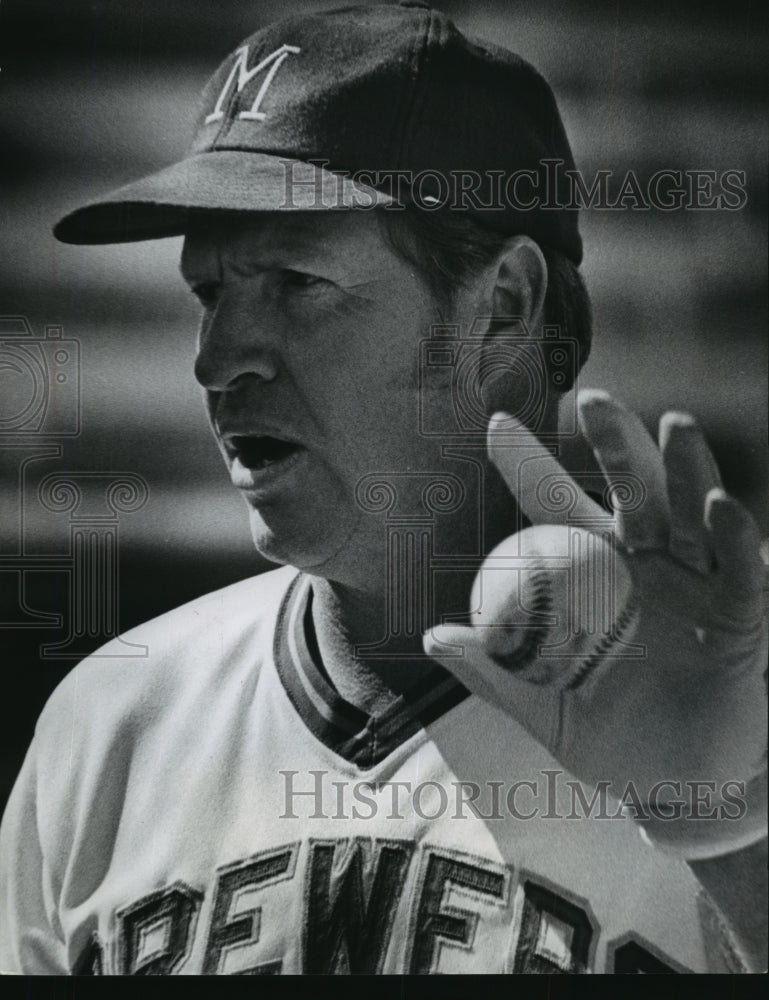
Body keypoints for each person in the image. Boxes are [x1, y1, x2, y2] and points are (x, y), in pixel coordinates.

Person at [0, 1, 766, 976]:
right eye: (211, 294)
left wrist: (731, 829)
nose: (218, 359)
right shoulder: (110, 720)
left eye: (295, 282)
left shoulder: (734, 679)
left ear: (503, 307)